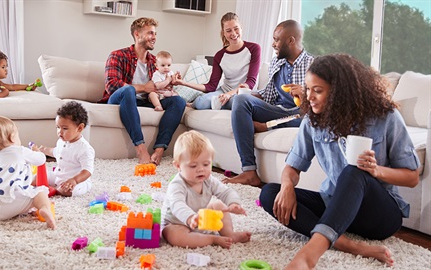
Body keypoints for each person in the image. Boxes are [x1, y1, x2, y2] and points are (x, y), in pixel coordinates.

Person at [259, 54, 420, 269]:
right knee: (270, 193)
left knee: (354, 172)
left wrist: (375, 171)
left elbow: (411, 177)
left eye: (317, 90)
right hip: (334, 207)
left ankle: (310, 255)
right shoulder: (313, 121)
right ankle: (347, 244)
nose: (310, 97)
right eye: (308, 89)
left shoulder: (385, 116)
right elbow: (292, 167)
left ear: (339, 92)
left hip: (379, 216)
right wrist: (287, 186)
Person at [223, 20, 313, 186]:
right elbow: (269, 95)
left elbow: (317, 110)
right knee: (241, 100)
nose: (273, 44)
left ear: (291, 41)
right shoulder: (277, 62)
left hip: (298, 113)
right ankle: (249, 171)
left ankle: (268, 125)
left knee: (307, 119)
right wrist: (245, 94)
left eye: (276, 40)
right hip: (277, 110)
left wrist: (305, 94)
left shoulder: (313, 65)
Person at [101, 17, 186, 165]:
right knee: (128, 90)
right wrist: (143, 87)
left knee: (178, 101)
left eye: (155, 34)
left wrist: (171, 81)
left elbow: (160, 88)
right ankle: (141, 149)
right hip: (118, 100)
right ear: (137, 35)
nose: (154, 38)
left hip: (145, 101)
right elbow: (112, 85)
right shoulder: (118, 55)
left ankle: (159, 149)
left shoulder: (155, 62)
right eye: (150, 33)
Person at [161, 130, 251, 249]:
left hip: (199, 218)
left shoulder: (209, 180)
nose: (201, 169)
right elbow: (177, 205)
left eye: (206, 164)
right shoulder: (177, 185)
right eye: (193, 166)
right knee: (174, 236)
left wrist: (233, 203)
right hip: (176, 223)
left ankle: (229, 234)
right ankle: (212, 239)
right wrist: (190, 217)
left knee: (218, 205)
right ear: (178, 166)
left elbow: (225, 192)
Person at [0, 116, 56, 229]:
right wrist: (37, 152)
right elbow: (41, 160)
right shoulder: (19, 151)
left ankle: (20, 208)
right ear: (12, 137)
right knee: (39, 193)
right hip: (6, 204)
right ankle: (44, 208)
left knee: (13, 190)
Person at [174, 12, 261, 110]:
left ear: (241, 28)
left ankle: (219, 104)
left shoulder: (254, 48)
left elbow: (250, 82)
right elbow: (211, 86)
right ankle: (201, 103)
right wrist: (183, 83)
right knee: (201, 103)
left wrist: (229, 95)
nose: (233, 33)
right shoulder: (219, 55)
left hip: (244, 94)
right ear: (223, 33)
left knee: (237, 102)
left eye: (236, 28)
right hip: (224, 91)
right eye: (228, 30)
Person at [37, 101, 94, 197]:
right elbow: (56, 152)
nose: (60, 132)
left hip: (76, 181)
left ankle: (55, 190)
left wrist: (75, 180)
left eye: (65, 128)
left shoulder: (85, 149)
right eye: (58, 127)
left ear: (80, 128)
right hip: (58, 175)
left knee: (68, 191)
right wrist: (44, 150)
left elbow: (87, 171)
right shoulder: (61, 141)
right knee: (38, 176)